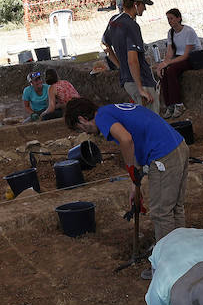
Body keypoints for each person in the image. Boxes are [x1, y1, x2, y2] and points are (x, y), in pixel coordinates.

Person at [63, 97, 187, 278]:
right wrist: (134, 184)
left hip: (164, 155)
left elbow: (126, 140)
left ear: (81, 119)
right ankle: (183, 256)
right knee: (175, 208)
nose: (86, 132)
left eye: (79, 128)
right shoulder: (112, 110)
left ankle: (167, 268)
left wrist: (130, 170)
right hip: (178, 146)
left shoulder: (102, 117)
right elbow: (136, 141)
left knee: (162, 213)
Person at [102, 0, 159, 113]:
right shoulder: (132, 26)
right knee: (152, 121)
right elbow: (132, 60)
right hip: (141, 81)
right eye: (143, 4)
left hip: (126, 80)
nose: (144, 8)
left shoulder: (113, 21)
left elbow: (105, 44)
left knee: (141, 118)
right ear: (136, 4)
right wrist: (140, 89)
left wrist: (120, 66)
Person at [154, 8, 199, 119]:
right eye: (168, 19)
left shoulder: (188, 31)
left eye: (172, 18)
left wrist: (168, 63)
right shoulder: (171, 33)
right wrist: (162, 64)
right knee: (164, 72)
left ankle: (178, 104)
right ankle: (169, 104)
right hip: (179, 57)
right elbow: (170, 52)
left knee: (171, 70)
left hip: (193, 57)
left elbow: (186, 55)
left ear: (179, 18)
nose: (170, 21)